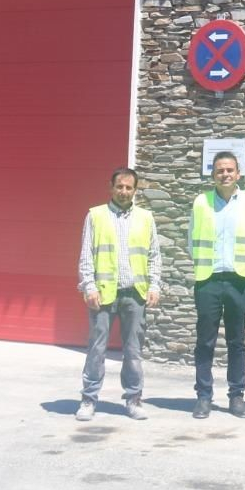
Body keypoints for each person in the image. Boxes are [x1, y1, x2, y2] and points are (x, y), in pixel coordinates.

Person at [76, 166, 161, 422]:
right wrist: (88, 286)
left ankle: (134, 399)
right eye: (120, 186)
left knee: (133, 350)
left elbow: (154, 255)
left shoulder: (146, 218)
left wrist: (155, 285)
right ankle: (89, 399)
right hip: (103, 294)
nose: (124, 191)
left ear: (135, 190)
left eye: (129, 187)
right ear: (111, 188)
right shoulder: (95, 216)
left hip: (135, 294)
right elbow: (86, 255)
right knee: (96, 349)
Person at [188, 150, 245, 419]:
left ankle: (236, 396)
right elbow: (191, 239)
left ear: (238, 173)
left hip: (238, 280)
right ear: (213, 174)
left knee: (237, 341)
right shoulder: (201, 202)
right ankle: (204, 397)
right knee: (205, 341)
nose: (225, 174)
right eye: (220, 170)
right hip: (208, 280)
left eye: (229, 170)